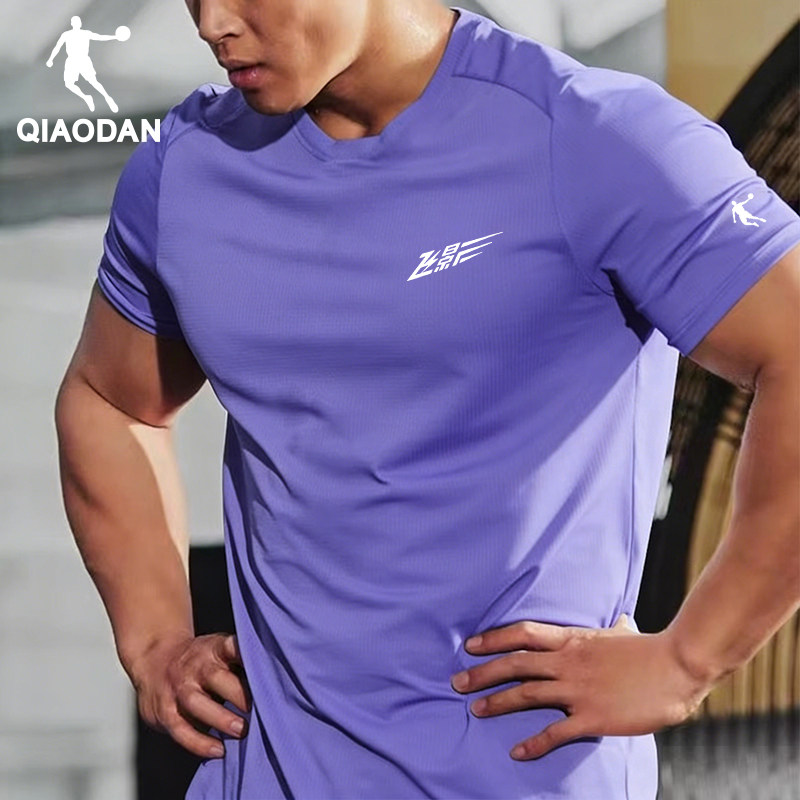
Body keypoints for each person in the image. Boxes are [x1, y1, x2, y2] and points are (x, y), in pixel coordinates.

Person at [54, 2, 800, 798]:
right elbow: (110, 399)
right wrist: (155, 642)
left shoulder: (593, 136)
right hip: (261, 773)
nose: (212, 22)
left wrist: (689, 661)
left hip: (525, 771)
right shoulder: (187, 165)